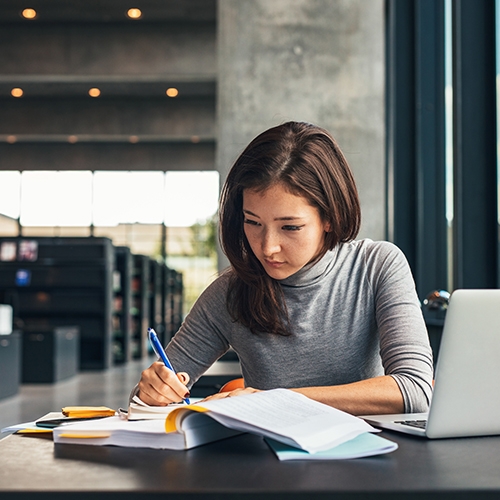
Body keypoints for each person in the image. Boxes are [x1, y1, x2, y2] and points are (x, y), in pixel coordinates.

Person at [136, 121, 433, 415]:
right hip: (268, 460)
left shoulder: (376, 266)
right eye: (252, 222)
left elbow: (414, 390)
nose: (267, 247)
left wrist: (271, 400)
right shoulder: (229, 292)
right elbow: (142, 403)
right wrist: (151, 392)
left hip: (368, 456)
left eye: (290, 227)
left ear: (329, 217)